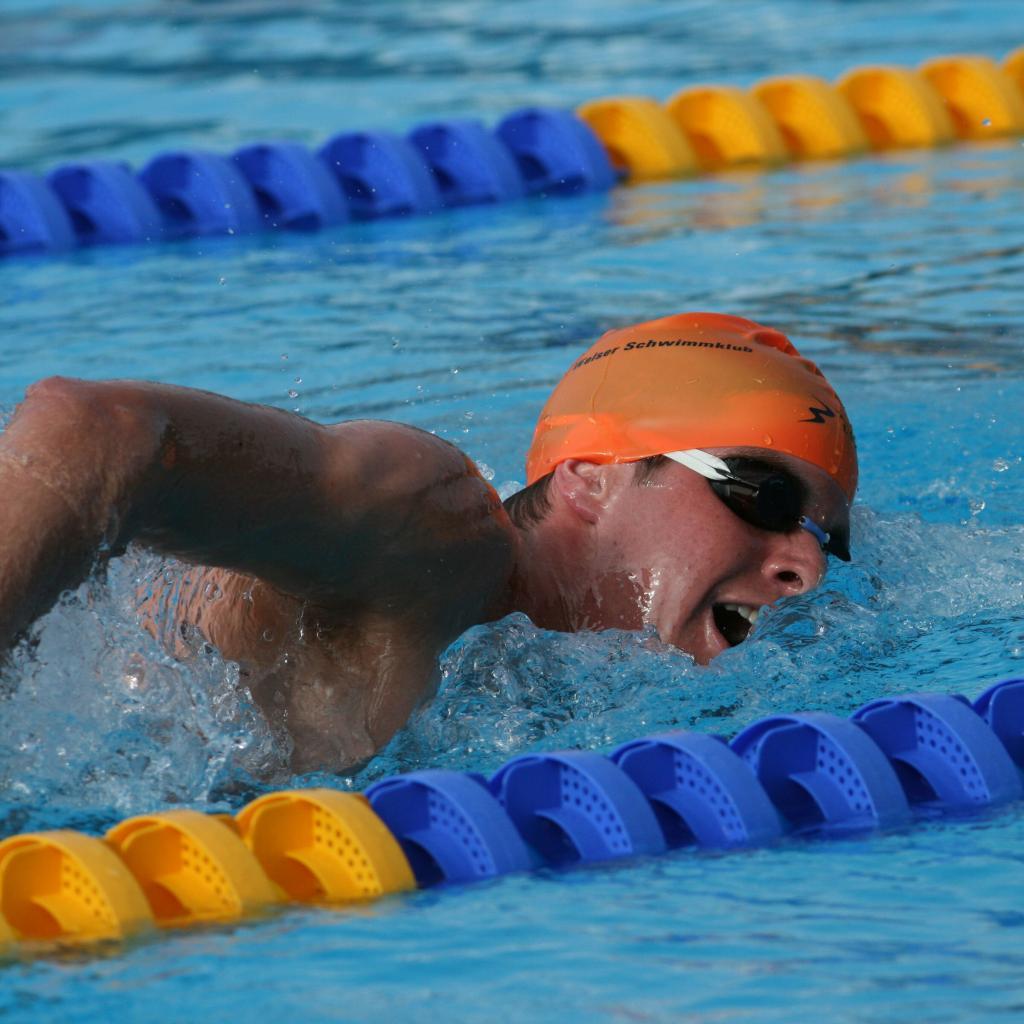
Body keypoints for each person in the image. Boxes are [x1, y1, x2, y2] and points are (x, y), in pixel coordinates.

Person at [0, 312, 856, 771]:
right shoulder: (436, 532)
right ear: (590, 478)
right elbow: (96, 430)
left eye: (829, 538)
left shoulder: (549, 679)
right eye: (764, 493)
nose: (807, 563)